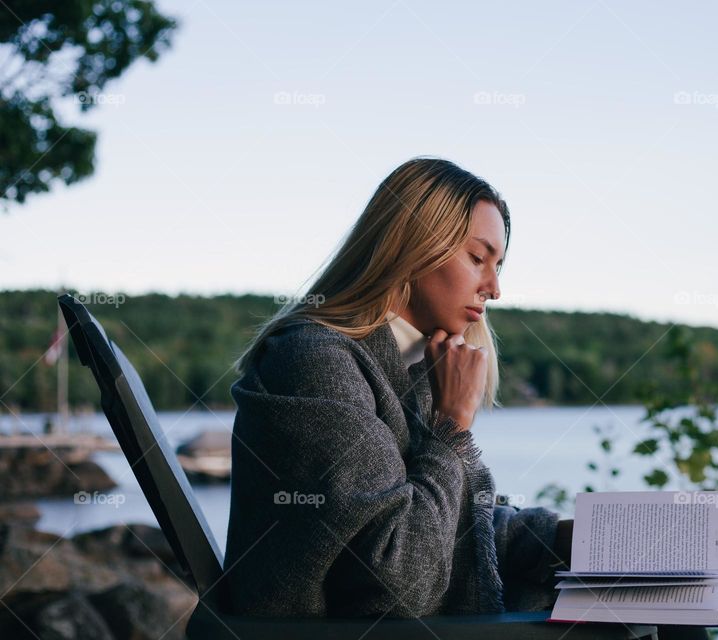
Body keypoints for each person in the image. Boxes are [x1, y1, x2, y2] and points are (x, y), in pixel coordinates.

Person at [224, 157, 569, 618]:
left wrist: (576, 536)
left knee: (653, 590)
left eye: (499, 265)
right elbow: (399, 587)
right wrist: (451, 425)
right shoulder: (312, 362)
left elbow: (457, 528)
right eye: (476, 257)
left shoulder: (412, 368)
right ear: (413, 245)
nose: (494, 288)